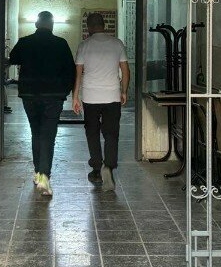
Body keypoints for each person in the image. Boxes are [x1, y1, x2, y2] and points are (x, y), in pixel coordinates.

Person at [8, 11, 76, 197]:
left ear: (37, 24)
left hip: (30, 95)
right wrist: (64, 91)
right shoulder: (61, 44)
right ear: (52, 25)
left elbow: (12, 58)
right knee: (48, 135)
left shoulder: (25, 42)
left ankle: (38, 172)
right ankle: (44, 175)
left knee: (36, 132)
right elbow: (70, 70)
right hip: (53, 96)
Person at [73, 13, 130, 191]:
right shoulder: (117, 43)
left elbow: (78, 74)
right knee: (111, 133)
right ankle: (109, 166)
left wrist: (75, 97)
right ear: (104, 25)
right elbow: (125, 71)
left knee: (92, 132)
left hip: (90, 97)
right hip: (112, 95)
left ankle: (97, 169)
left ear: (89, 27)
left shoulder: (84, 45)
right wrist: (124, 91)